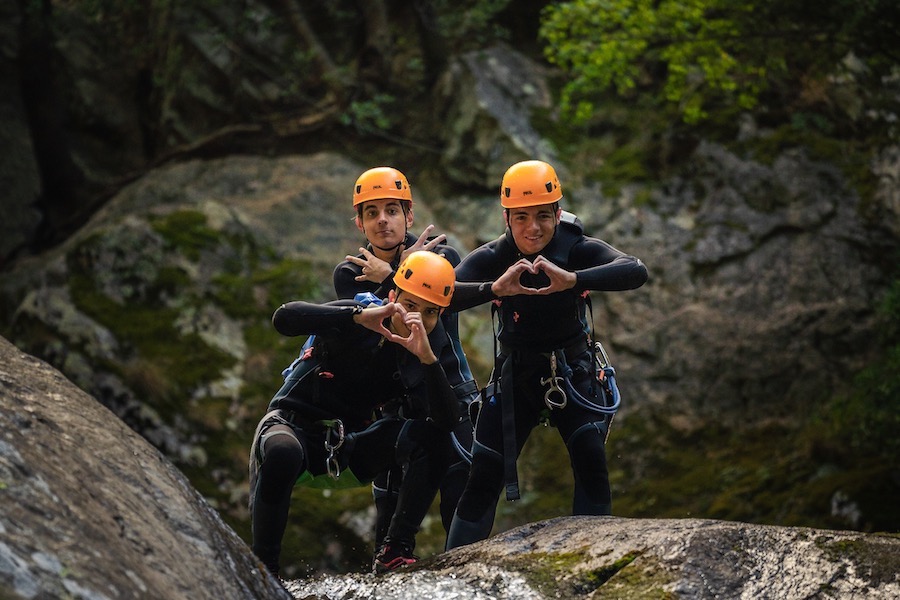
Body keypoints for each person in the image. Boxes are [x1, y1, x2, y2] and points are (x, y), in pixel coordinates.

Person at [445, 159, 649, 549]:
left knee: (591, 459)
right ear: (507, 218)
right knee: (484, 471)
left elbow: (634, 270)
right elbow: (440, 295)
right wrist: (494, 290)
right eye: (521, 218)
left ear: (558, 213)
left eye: (543, 216)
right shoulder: (495, 257)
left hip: (572, 370)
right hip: (515, 374)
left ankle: (595, 561)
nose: (532, 228)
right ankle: (449, 574)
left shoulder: (574, 248)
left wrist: (574, 280)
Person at [249, 251, 465, 576]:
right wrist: (354, 317)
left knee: (432, 437)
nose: (415, 319)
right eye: (409, 305)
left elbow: (446, 422)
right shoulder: (358, 314)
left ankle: (395, 550)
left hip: (343, 448)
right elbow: (285, 318)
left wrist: (428, 361)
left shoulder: (423, 348)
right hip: (288, 430)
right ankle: (265, 571)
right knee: (283, 451)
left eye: (429, 312)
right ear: (393, 296)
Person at [332, 166, 477, 552]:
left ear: (409, 216)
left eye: (392, 210)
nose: (383, 220)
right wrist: (394, 273)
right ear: (360, 223)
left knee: (459, 490)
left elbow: (434, 296)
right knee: (389, 506)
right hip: (394, 403)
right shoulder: (350, 274)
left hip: (448, 389)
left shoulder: (442, 254)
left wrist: (393, 272)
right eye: (372, 212)